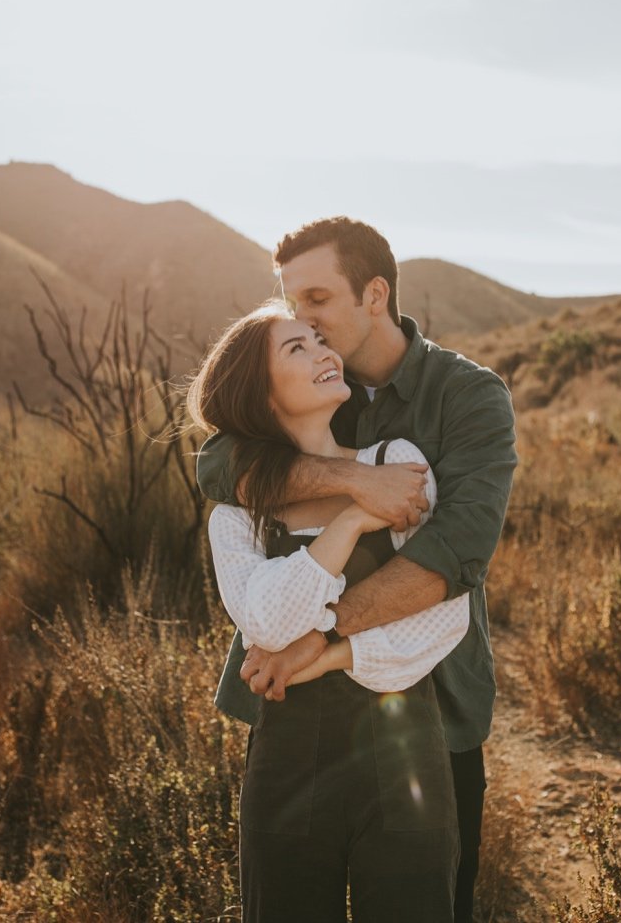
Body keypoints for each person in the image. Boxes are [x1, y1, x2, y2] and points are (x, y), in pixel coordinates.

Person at [197, 217, 518, 923]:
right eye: (291, 306)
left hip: (427, 702)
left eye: (316, 300)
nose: (300, 318)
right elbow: (217, 465)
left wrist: (325, 641)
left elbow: (454, 554)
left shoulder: (464, 397)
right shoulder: (286, 412)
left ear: (374, 295)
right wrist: (355, 487)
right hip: (290, 721)